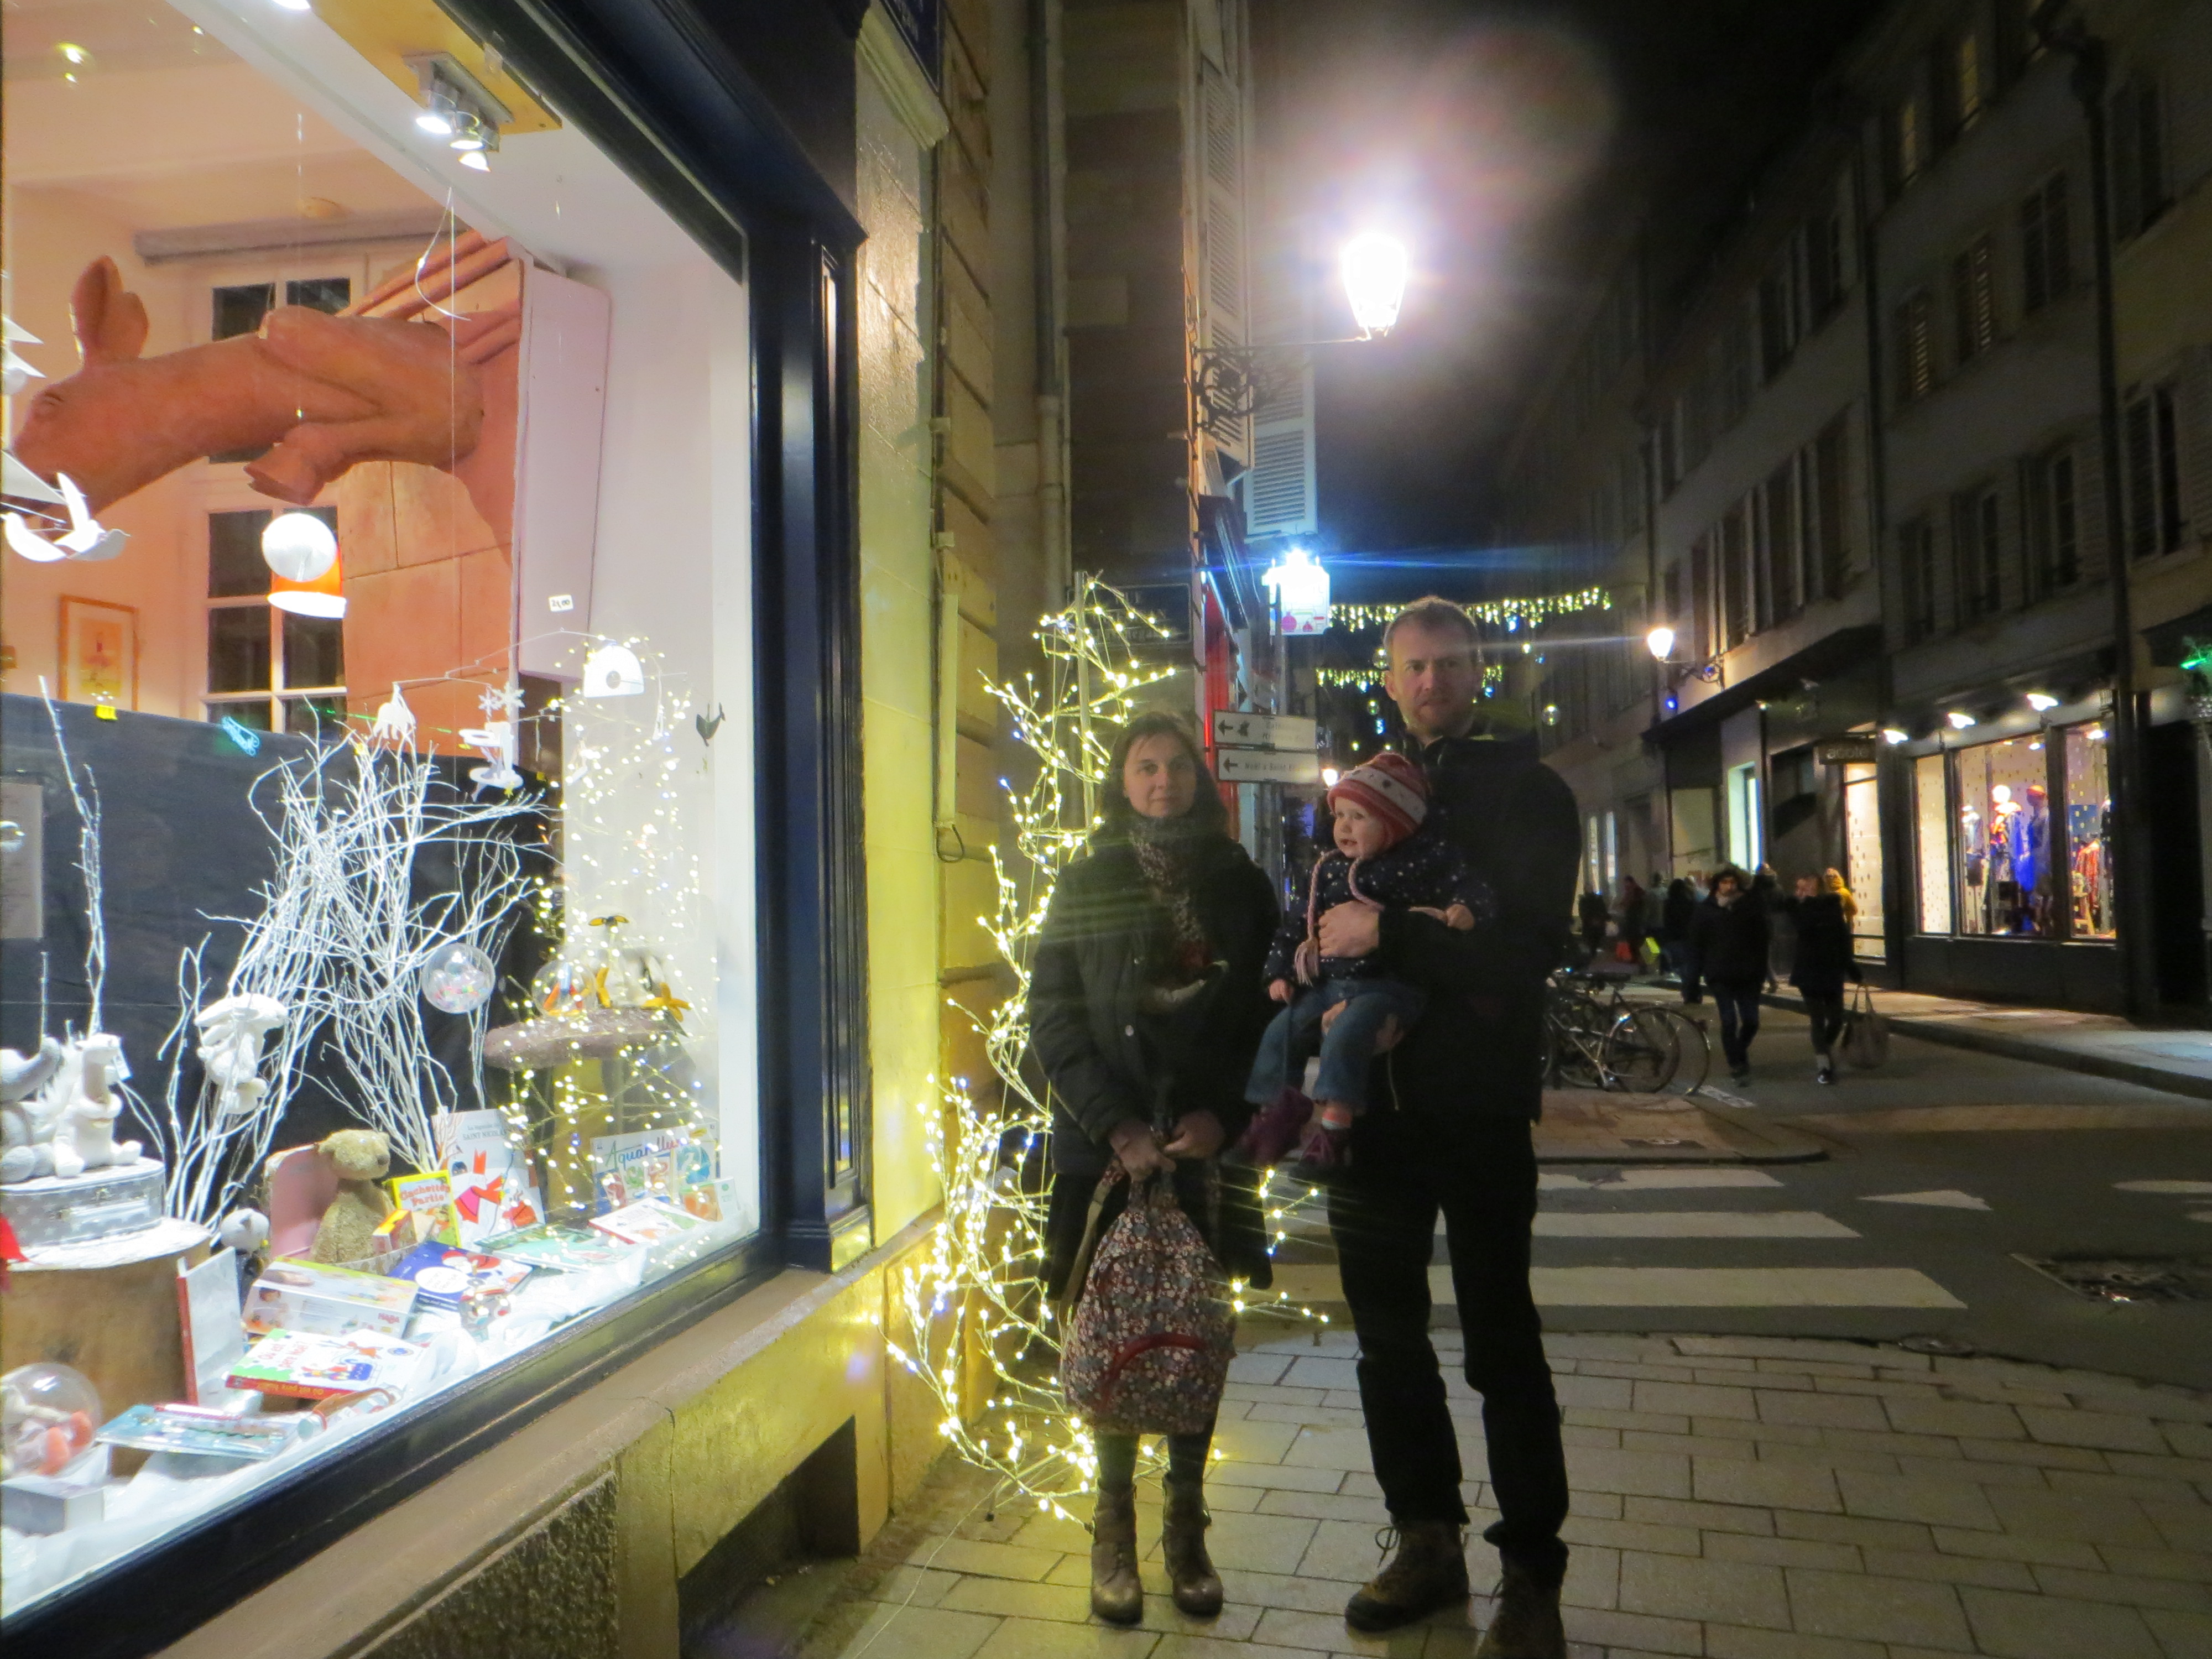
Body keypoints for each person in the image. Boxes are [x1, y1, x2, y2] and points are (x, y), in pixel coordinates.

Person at [1306, 597, 1577, 1658]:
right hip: (1374, 1118)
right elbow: (1324, 922)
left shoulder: (1529, 791)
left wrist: (1393, 935)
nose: (1432, 682)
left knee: (1502, 1341)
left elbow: (1525, 951)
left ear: (1479, 670)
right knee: (1388, 1341)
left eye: (1450, 663)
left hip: (1477, 1110)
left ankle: (1531, 1572)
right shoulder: (1364, 791)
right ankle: (1426, 1539)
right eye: (1413, 666)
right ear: (1388, 677)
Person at [1030, 712, 1279, 1625]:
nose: (1162, 780)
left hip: (1204, 1151)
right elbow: (1052, 1015)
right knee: (1111, 1329)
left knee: (1197, 1332)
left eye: (1176, 765)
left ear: (1197, 780)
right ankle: (1113, 1529)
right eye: (1145, 767)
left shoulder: (1240, 883)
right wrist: (1115, 1124)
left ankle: (1186, 1528)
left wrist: (1227, 1116)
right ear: (1122, 782)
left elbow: (1265, 1019)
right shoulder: (1087, 878)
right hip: (1107, 1151)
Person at [1243, 751, 1490, 1180]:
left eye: (1359, 817)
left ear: (1395, 823)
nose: (1344, 827)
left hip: (1384, 985)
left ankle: (1335, 1130)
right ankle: (1277, 1111)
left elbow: (1471, 886)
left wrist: (1467, 907)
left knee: (1347, 1036)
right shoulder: (1329, 868)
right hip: (1329, 982)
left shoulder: (1424, 861)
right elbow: (1300, 922)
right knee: (1281, 1030)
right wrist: (1280, 970)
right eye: (1340, 815)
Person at [1688, 866, 1769, 1086]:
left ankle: (1738, 1051)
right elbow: (1696, 945)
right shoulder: (1706, 910)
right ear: (1717, 885)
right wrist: (1692, 979)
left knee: (1751, 1021)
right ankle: (1736, 1063)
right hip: (1720, 974)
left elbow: (1762, 941)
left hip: (1748, 974)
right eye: (1724, 882)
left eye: (1732, 882)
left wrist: (1760, 972)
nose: (1729, 887)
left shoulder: (1749, 907)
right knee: (1729, 1020)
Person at [1777, 872, 1859, 1082]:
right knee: (1818, 1019)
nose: (1799, 893)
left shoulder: (1832, 907)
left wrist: (1851, 966)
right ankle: (1824, 1065)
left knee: (1837, 1019)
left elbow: (1843, 938)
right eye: (1798, 888)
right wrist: (1799, 904)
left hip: (1831, 970)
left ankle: (1825, 1048)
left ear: (1816, 890)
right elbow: (1803, 926)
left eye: (1804, 889)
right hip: (1809, 971)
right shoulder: (1798, 909)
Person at [1660, 875, 1699, 995]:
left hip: (1674, 937)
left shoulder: (1669, 904)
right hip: (1688, 937)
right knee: (1689, 964)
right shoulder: (1691, 903)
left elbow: (1666, 921)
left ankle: (1687, 988)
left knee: (1680, 965)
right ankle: (1691, 989)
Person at [1575, 885, 1608, 959]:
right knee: (1595, 938)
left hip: (1589, 923)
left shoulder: (1583, 900)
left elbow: (1582, 912)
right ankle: (1593, 952)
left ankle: (1592, 952)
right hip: (1597, 922)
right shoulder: (1598, 899)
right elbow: (1603, 910)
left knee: (1591, 938)